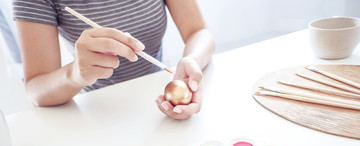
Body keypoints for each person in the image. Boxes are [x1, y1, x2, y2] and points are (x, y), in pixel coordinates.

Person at [12, 0, 214, 120]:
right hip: (98, 113)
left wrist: (192, 60)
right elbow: (35, 89)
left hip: (157, 96)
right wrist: (75, 74)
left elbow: (199, 32)